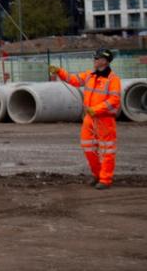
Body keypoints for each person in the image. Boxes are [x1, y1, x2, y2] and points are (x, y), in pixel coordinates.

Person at [49, 49, 121, 189]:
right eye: (94, 57)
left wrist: (96, 109)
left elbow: (114, 100)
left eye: (97, 58)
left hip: (105, 119)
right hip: (90, 118)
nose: (94, 60)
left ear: (105, 61)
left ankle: (105, 180)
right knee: (88, 147)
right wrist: (59, 71)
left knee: (107, 150)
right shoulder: (90, 75)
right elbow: (74, 80)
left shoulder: (113, 79)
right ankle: (98, 175)